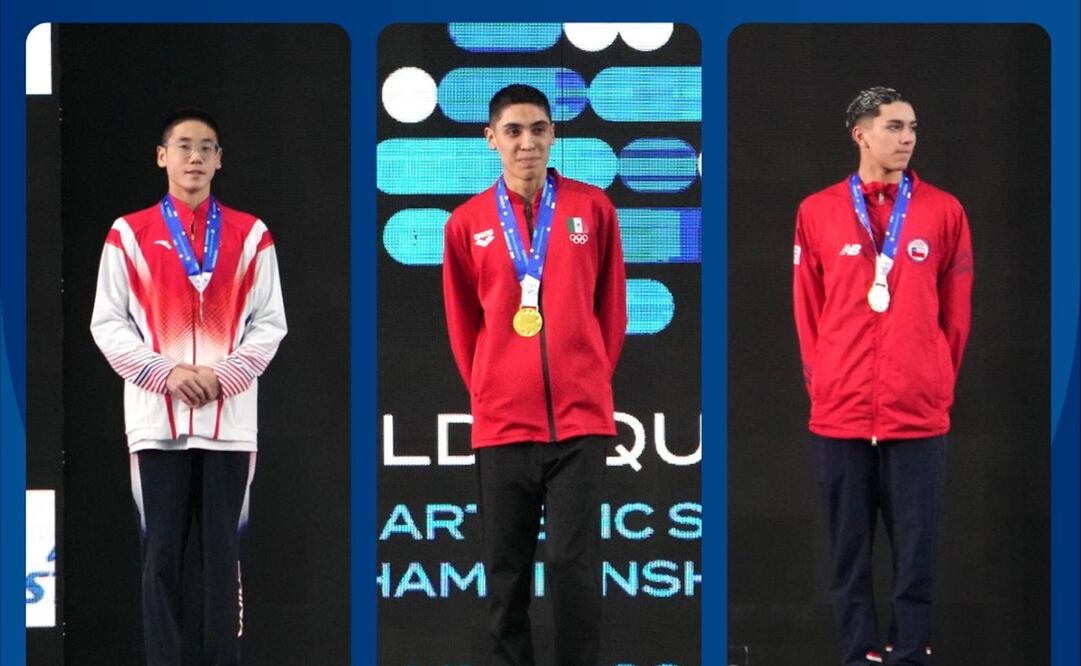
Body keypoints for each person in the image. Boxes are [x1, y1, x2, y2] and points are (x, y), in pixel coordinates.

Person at [90, 108, 287, 666]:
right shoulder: (129, 234)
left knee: (224, 561)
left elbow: (271, 323)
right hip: (157, 423)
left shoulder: (252, 235)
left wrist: (223, 377)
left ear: (220, 160)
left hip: (229, 425)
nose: (195, 157)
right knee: (160, 560)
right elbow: (107, 322)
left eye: (206, 147)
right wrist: (167, 374)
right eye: (184, 146)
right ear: (162, 157)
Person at [442, 84, 626, 665]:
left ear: (553, 136)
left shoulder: (591, 208)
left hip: (579, 423)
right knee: (506, 572)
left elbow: (611, 310)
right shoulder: (467, 222)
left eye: (540, 129)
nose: (528, 143)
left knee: (574, 567)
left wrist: (589, 376)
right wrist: (491, 389)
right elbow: (463, 324)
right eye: (515, 131)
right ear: (491, 139)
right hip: (502, 424)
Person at [792, 87, 973, 666]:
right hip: (840, 415)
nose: (908, 138)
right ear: (861, 134)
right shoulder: (816, 211)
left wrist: (934, 380)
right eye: (895, 126)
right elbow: (807, 310)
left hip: (916, 414)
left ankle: (909, 655)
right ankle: (856, 656)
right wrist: (824, 384)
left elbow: (956, 313)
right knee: (848, 555)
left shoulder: (943, 211)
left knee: (915, 554)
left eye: (913, 127)